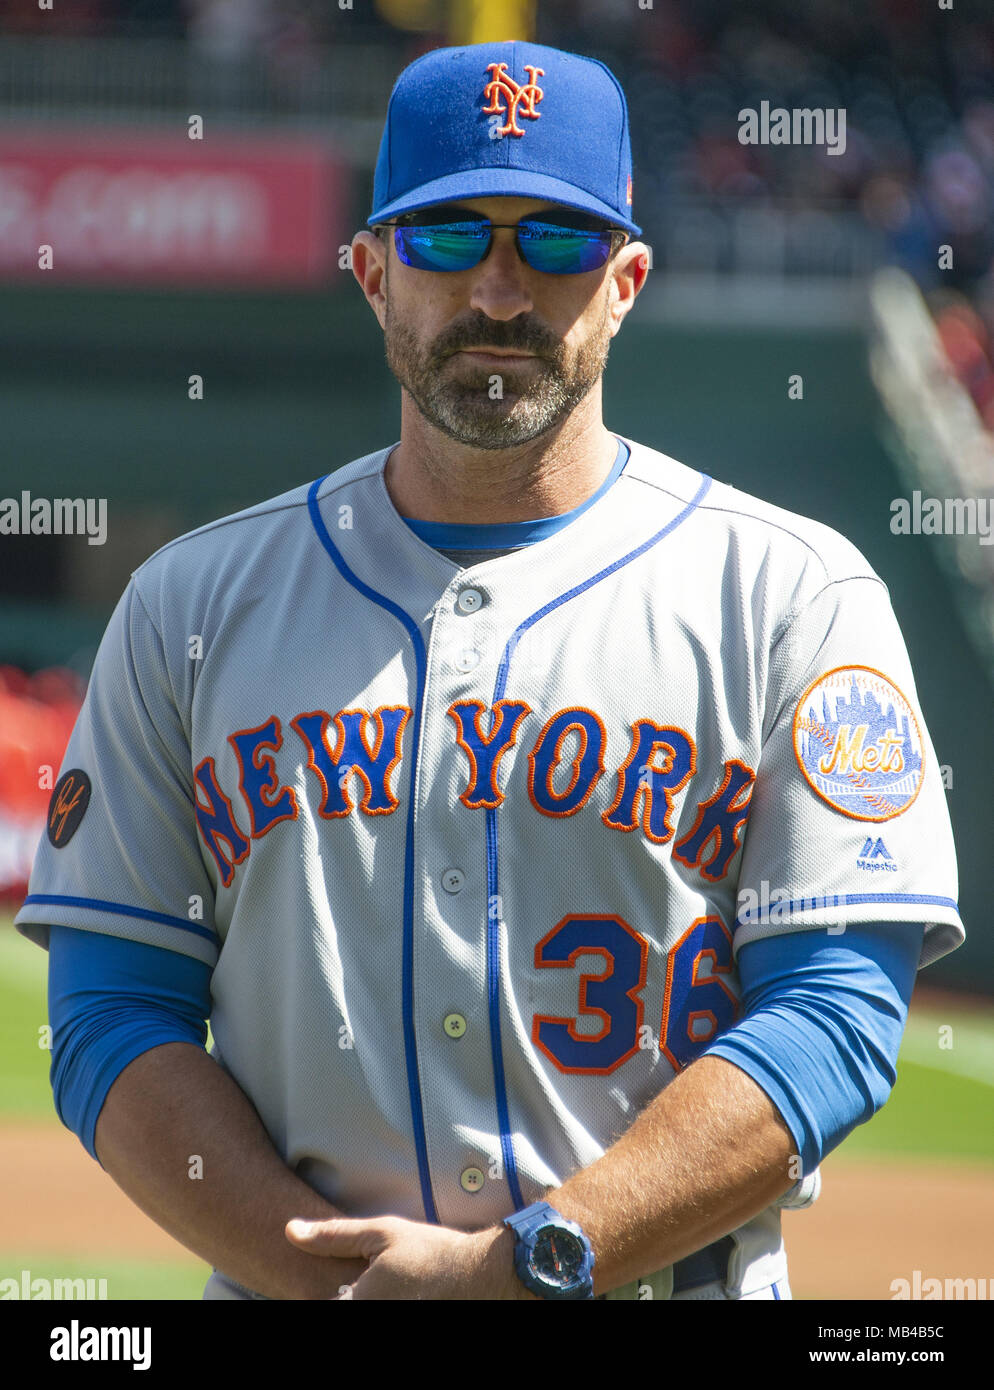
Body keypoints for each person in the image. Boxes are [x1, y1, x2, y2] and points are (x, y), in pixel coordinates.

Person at [16, 40, 964, 1301]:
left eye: (557, 243)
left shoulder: (792, 595)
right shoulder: (186, 606)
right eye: (448, 239)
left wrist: (528, 1267)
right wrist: (334, 1285)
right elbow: (107, 1016)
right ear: (370, 274)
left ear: (626, 280)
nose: (502, 292)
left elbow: (837, 1016)